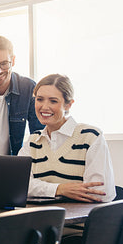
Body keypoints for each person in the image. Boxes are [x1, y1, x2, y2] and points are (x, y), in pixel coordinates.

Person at [18, 74, 115, 202]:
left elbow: (100, 192)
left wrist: (40, 188)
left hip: (79, 221)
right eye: (39, 99)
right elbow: (18, 185)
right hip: (40, 220)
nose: (44, 107)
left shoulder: (91, 137)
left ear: (68, 104)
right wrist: (59, 189)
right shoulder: (32, 141)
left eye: (53, 101)